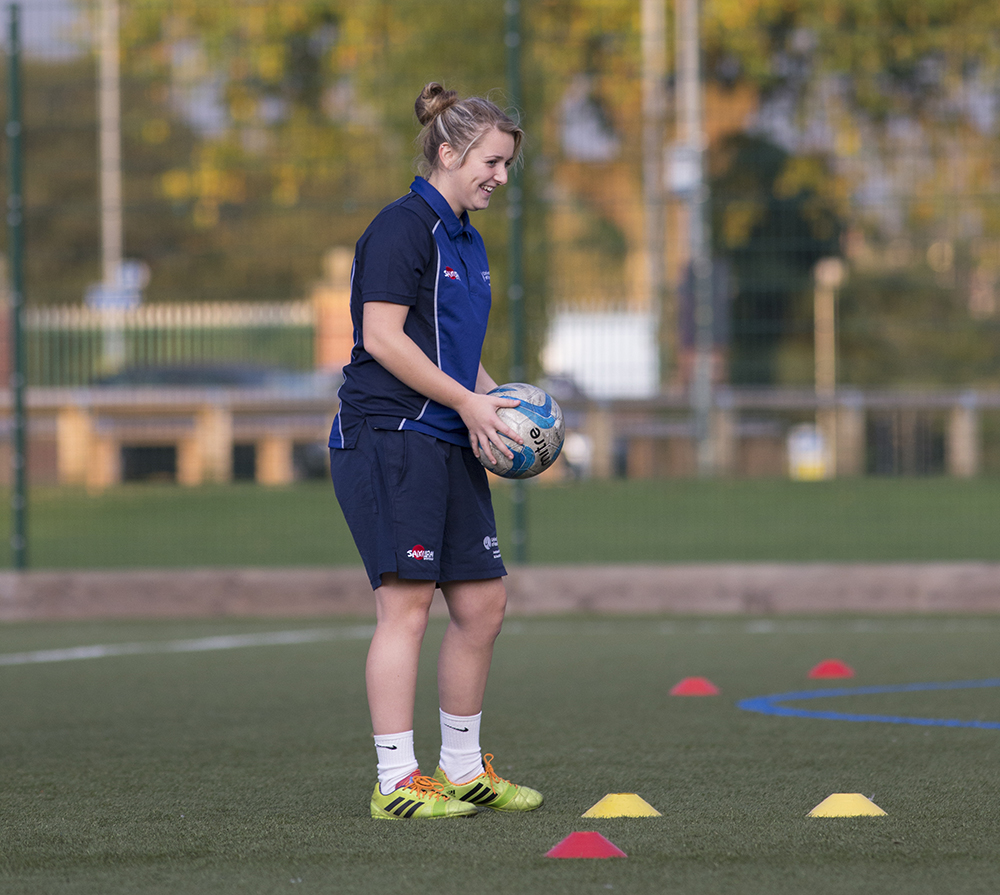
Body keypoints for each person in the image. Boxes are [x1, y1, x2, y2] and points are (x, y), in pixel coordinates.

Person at [328, 82, 543, 820]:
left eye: (508, 164)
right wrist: (466, 401)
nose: (501, 178)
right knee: (407, 609)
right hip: (390, 437)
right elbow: (383, 339)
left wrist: (502, 407)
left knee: (484, 603)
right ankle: (396, 781)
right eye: (492, 161)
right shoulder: (401, 228)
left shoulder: (466, 239)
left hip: (447, 435)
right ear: (448, 153)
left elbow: (457, 354)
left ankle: (461, 767)